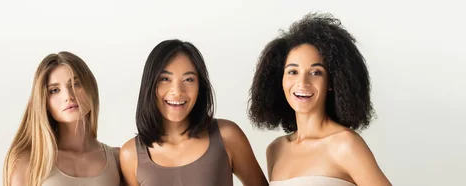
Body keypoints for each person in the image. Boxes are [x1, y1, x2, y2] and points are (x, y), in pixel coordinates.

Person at [248, 13, 392, 186]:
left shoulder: (345, 144)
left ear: (331, 82)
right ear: (280, 80)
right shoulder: (275, 150)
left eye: (316, 72)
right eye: (293, 72)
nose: (302, 83)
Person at [120, 39, 269, 186]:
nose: (177, 91)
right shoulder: (130, 154)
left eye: (188, 79)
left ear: (200, 87)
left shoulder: (227, 135)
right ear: (150, 85)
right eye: (165, 79)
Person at [3, 51, 123, 186]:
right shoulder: (28, 161)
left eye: (75, 84)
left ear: (91, 87)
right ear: (44, 101)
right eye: (54, 90)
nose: (68, 96)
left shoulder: (118, 159)